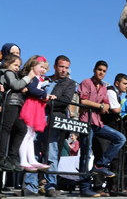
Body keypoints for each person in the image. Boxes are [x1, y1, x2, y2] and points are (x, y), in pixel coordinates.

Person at [24, 55, 75, 197]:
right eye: (61, 66)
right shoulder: (44, 78)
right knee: (32, 151)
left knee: (51, 153)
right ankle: (30, 186)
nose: (64, 70)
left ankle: (50, 186)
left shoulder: (70, 83)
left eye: (66, 67)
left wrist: (44, 101)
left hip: (53, 119)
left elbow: (65, 101)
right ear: (55, 66)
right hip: (36, 116)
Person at [78, 61, 126, 198]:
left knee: (120, 138)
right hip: (86, 121)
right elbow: (83, 101)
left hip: (97, 123)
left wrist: (102, 106)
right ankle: (84, 187)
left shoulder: (104, 86)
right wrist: (99, 106)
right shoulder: (86, 82)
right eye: (99, 69)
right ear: (94, 70)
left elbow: (106, 104)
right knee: (85, 155)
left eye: (104, 71)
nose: (101, 72)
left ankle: (100, 165)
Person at [93, 73, 127, 197]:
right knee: (101, 156)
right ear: (117, 83)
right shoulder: (110, 91)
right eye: (125, 83)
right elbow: (115, 109)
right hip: (104, 128)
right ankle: (98, 188)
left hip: (112, 129)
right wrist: (124, 109)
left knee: (115, 158)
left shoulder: (118, 95)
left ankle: (113, 187)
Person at [0, 55, 36, 171]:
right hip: (10, 103)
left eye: (19, 66)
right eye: (15, 65)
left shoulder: (12, 74)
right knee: (6, 128)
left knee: (22, 129)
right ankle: (1, 157)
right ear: (7, 63)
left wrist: (21, 86)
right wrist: (27, 78)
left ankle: (13, 156)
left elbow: (16, 85)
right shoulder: (7, 72)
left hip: (16, 104)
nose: (17, 68)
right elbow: (15, 85)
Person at [19, 56, 56, 172]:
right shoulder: (32, 78)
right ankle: (23, 160)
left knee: (31, 134)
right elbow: (31, 89)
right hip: (30, 106)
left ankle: (31, 160)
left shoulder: (38, 79)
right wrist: (44, 94)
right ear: (32, 66)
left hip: (36, 106)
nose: (43, 70)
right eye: (41, 67)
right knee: (26, 134)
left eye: (45, 68)